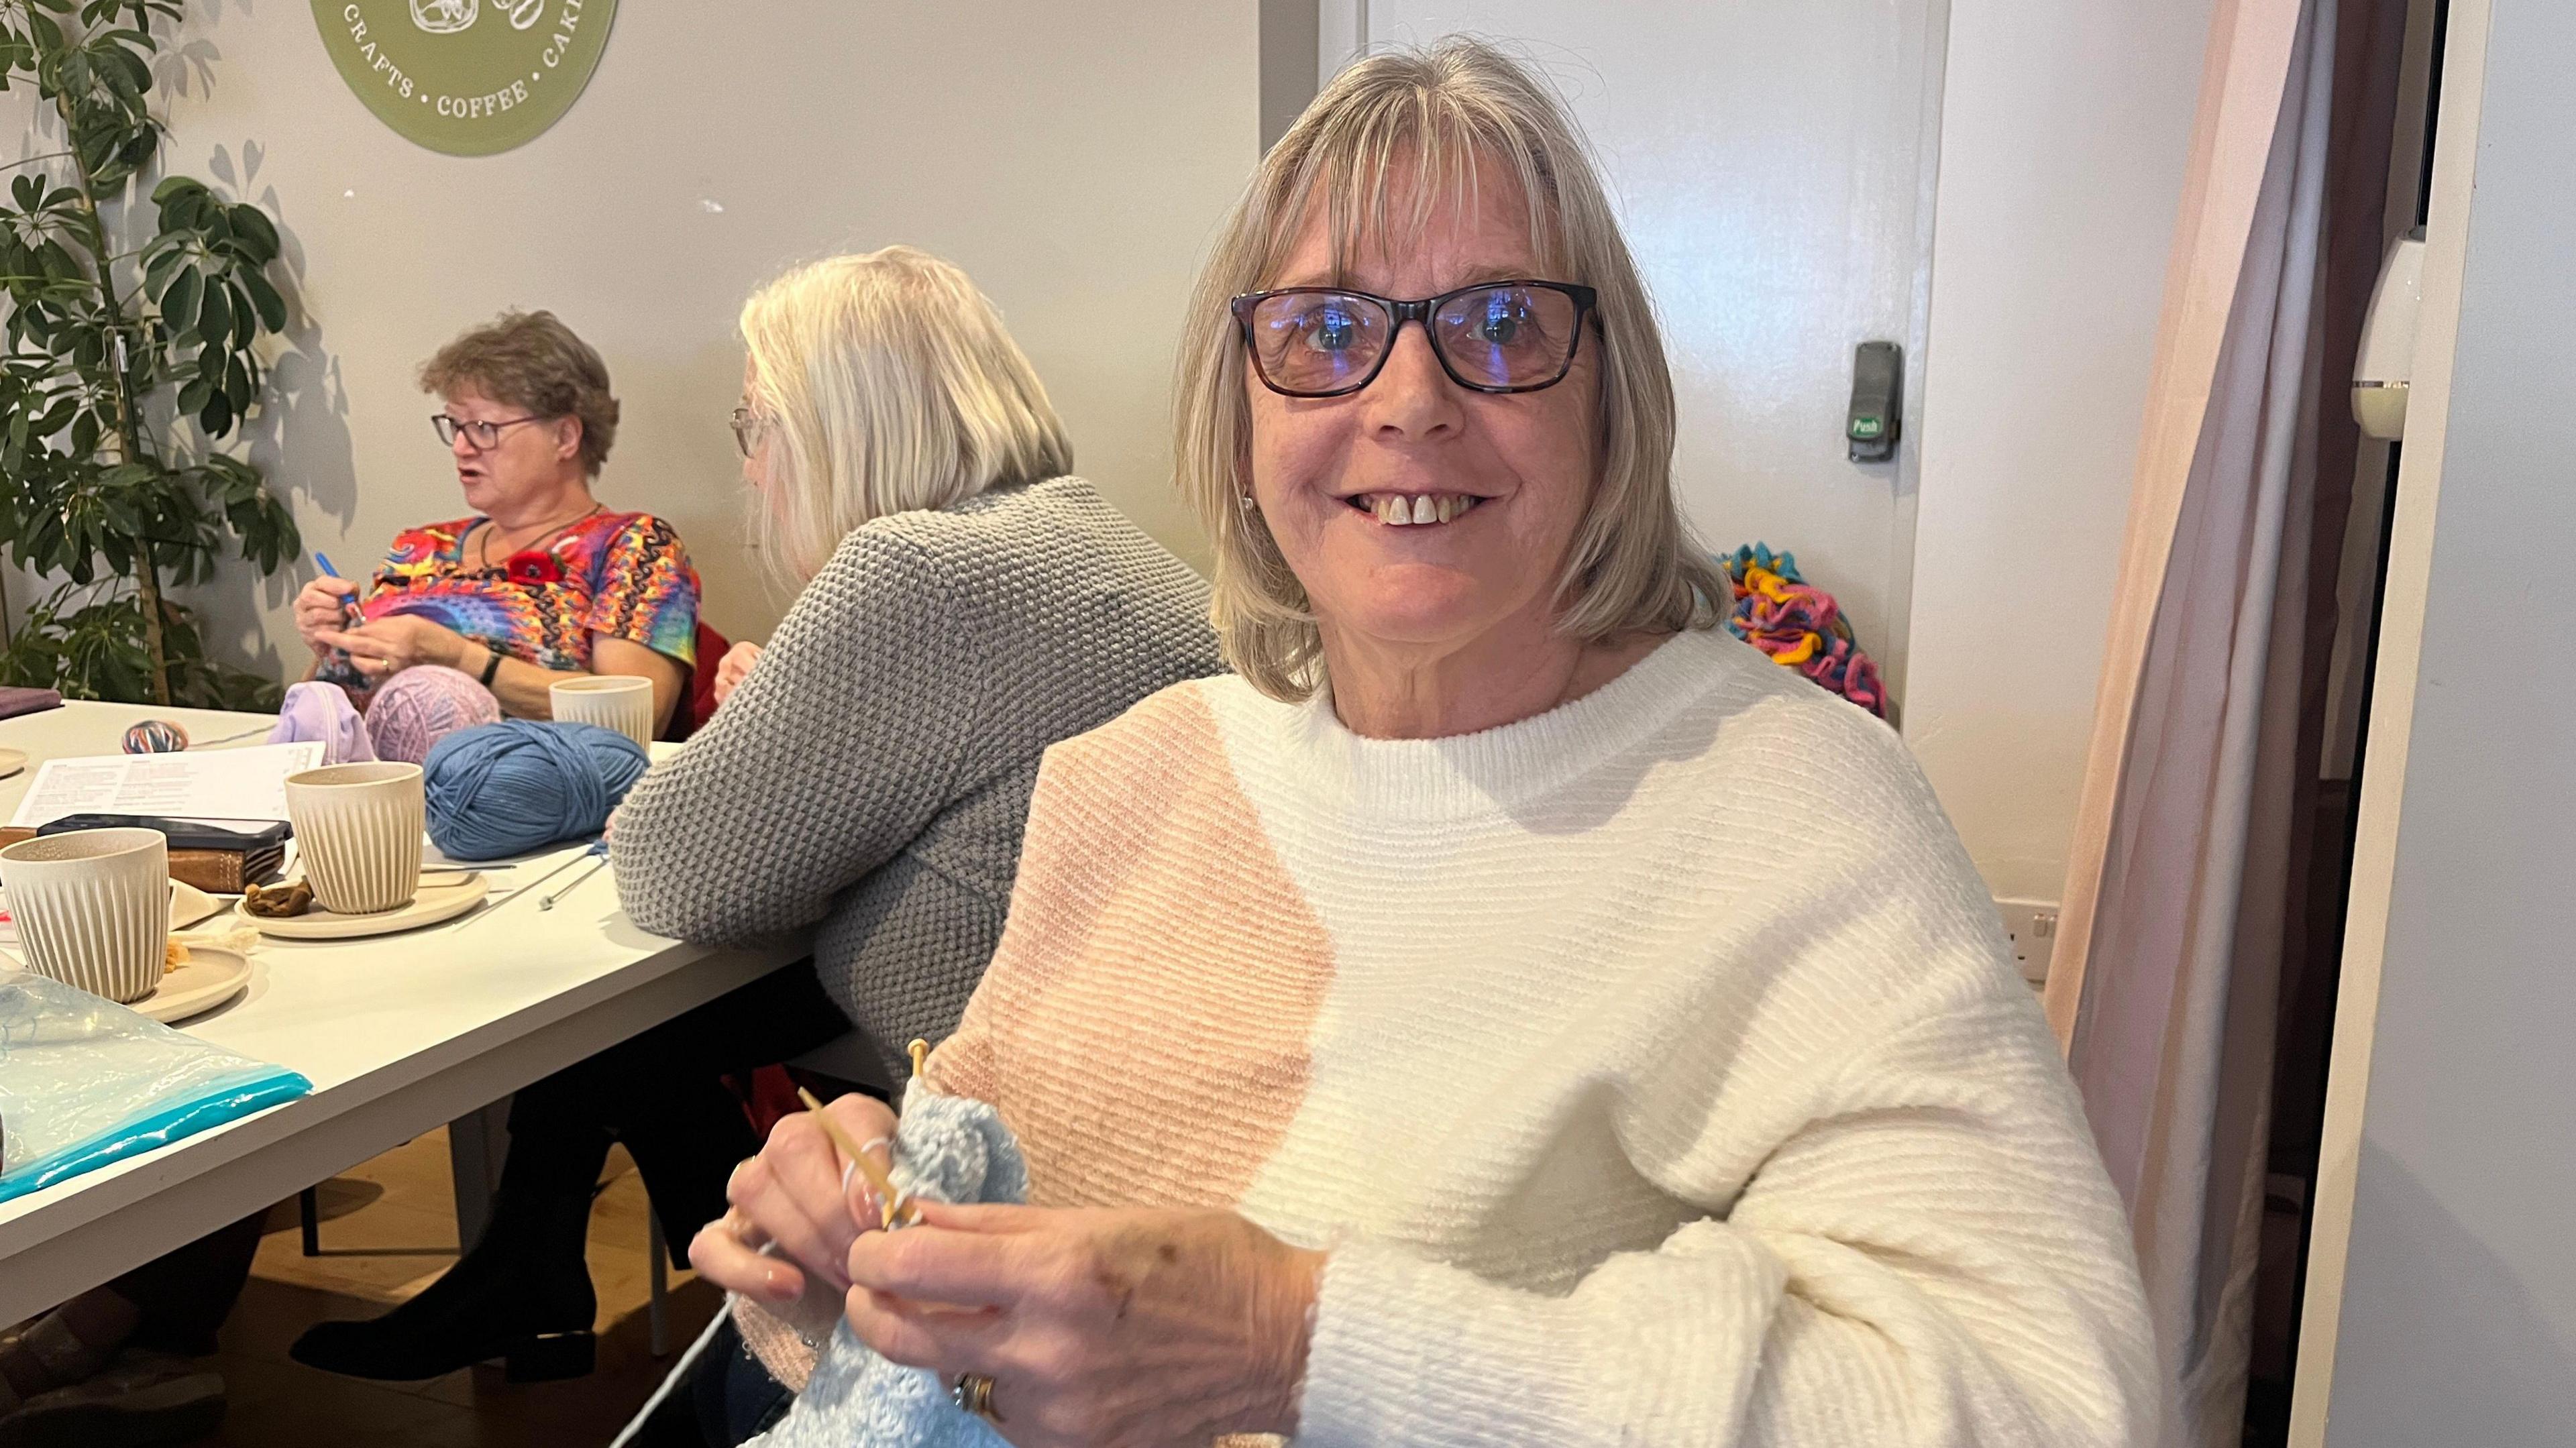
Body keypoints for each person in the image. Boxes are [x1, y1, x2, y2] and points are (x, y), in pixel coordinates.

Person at [694, 39, 2156, 1448]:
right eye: (1327, 332)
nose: (1408, 402)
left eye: (1502, 324)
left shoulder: (1801, 811)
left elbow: (2047, 1402)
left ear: (1610, 396)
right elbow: (978, 1316)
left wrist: (1297, 1339)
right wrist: (857, 1256)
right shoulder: (1126, 776)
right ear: (1242, 406)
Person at [288, 247, 1222, 1392]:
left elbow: (673, 869)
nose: (750, 462)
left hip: (1014, 1147)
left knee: (628, 1031)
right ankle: (586, 1281)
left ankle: (758, 1334)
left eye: (754, 425)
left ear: (832, 425)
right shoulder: (1091, 535)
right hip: (1135, 1078)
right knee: (635, 1040)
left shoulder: (912, 568)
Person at [294, 309, 701, 736]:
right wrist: (331, 643)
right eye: (455, 426)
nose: (461, 447)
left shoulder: (632, 546)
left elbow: (635, 718)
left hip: (522, 776)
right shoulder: (420, 547)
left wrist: (459, 657)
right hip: (358, 771)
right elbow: (317, 714)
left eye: (483, 427)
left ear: (565, 437)